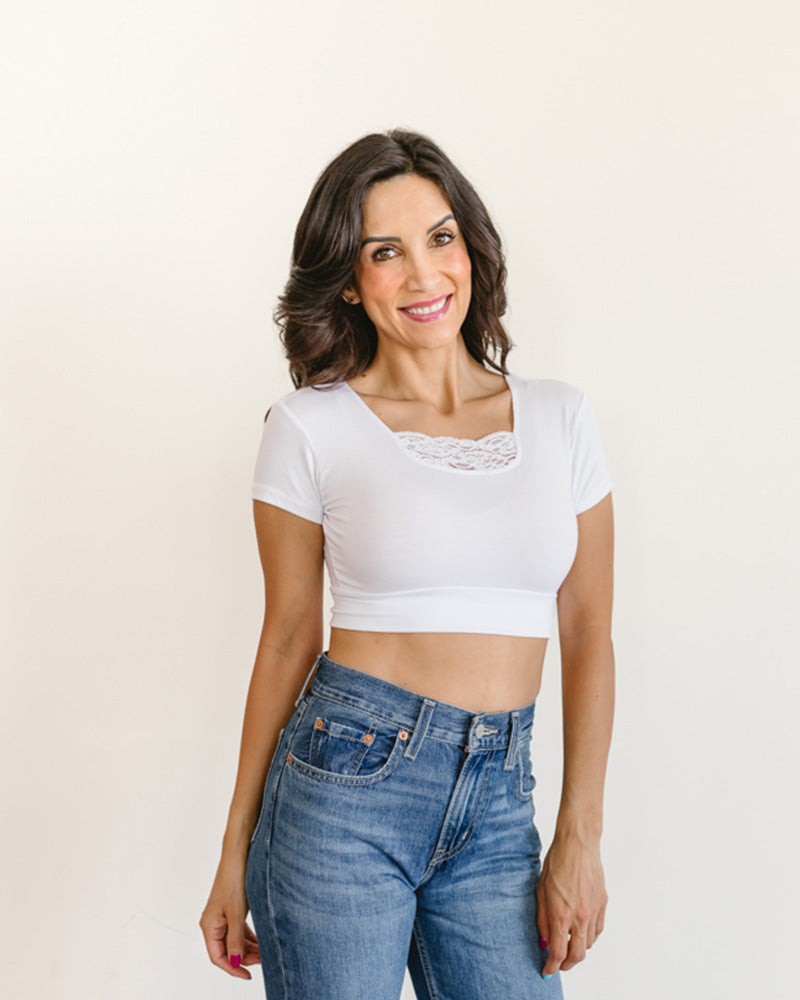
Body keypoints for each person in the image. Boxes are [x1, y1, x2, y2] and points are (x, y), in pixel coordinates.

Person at [199, 129, 615, 999]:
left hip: (502, 799)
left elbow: (588, 631)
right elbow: (285, 640)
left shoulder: (561, 419)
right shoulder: (310, 427)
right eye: (384, 252)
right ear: (350, 281)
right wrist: (234, 852)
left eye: (439, 237)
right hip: (342, 788)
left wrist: (580, 830)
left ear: (470, 244)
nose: (424, 276)